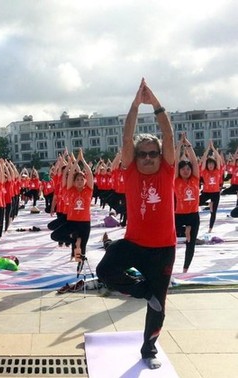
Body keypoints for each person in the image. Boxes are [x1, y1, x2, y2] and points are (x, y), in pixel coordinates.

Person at [96, 78, 176, 370]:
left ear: (159, 156)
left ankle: (149, 350)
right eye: (141, 154)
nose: (147, 158)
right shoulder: (131, 172)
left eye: (152, 153)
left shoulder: (167, 172)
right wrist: (133, 106)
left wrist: (155, 104)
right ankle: (145, 292)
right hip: (133, 244)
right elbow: (126, 135)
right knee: (105, 270)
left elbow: (167, 134)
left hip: (163, 249)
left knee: (160, 308)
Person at [174, 133, 200, 273]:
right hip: (179, 215)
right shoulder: (176, 180)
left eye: (188, 169)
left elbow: (194, 162)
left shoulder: (195, 178)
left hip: (193, 215)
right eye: (183, 169)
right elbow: (175, 160)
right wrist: (179, 145)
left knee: (191, 244)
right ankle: (185, 231)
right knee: (171, 238)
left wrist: (188, 145)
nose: (186, 171)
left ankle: (185, 269)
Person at [198, 140, 224, 233]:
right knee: (195, 203)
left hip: (215, 193)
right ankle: (208, 204)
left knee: (213, 212)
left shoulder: (217, 171)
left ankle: (210, 228)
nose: (210, 165)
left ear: (214, 165)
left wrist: (213, 148)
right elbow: (204, 159)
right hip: (206, 192)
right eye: (209, 164)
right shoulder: (204, 172)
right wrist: (207, 149)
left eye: (212, 164)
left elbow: (218, 159)